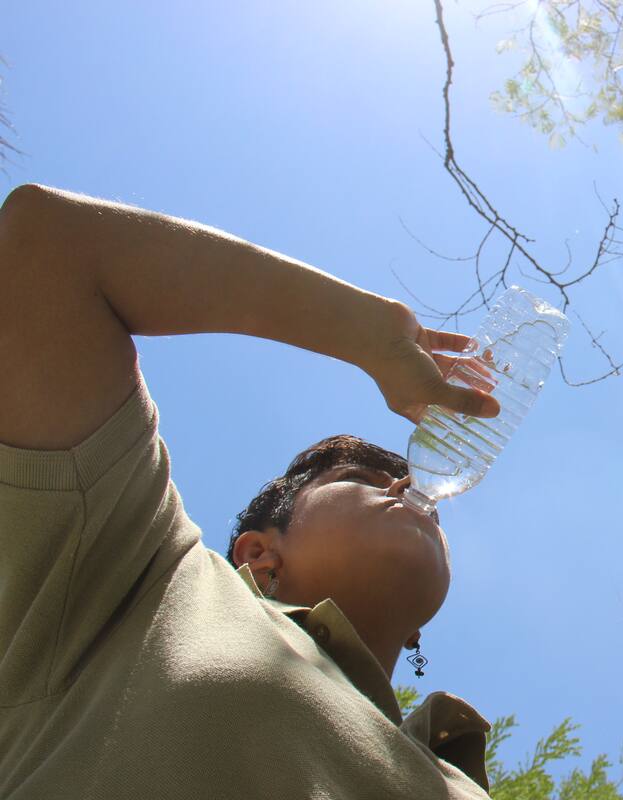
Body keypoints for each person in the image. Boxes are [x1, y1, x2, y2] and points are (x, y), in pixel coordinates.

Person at [0, 184, 505, 798]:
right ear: (258, 554)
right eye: (360, 478)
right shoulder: (150, 582)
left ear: (416, 634)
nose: (407, 482)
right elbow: (49, 244)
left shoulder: (457, 781)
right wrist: (367, 332)